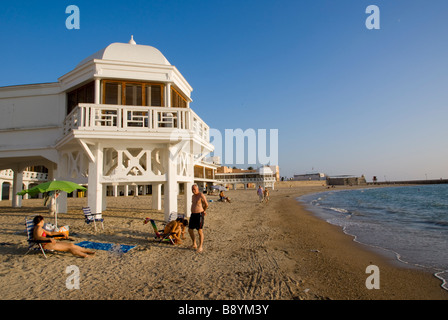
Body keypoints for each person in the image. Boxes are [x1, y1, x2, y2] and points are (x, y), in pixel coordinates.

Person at [189, 184, 208, 253]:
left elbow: (206, 204)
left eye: (194, 189)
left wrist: (204, 210)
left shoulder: (201, 195)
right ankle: (194, 244)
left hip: (199, 214)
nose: (193, 190)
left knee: (199, 231)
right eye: (192, 189)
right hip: (193, 214)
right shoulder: (193, 196)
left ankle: (200, 247)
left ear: (197, 189)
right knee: (190, 229)